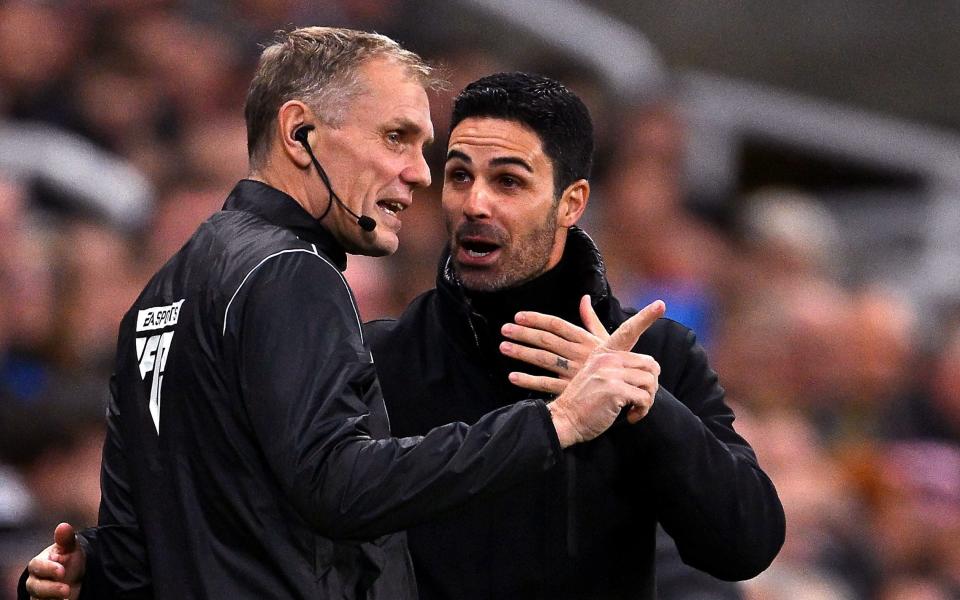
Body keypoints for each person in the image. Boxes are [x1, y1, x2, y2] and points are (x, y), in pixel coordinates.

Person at [19, 32, 665, 600]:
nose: (419, 173)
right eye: (396, 138)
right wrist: (557, 422)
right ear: (300, 133)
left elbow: (140, 551)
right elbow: (340, 485)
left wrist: (86, 570)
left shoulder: (162, 292)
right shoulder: (292, 272)